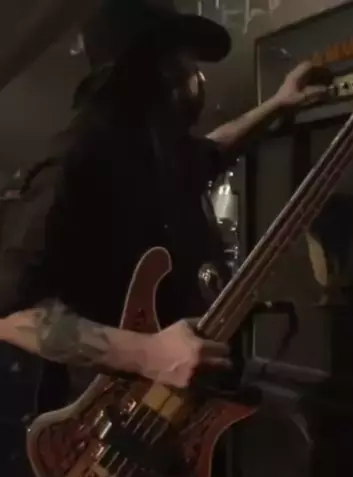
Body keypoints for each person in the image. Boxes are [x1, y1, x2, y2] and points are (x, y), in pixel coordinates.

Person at [0, 1, 326, 393]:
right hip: (119, 415)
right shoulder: (77, 160)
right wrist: (147, 355)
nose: (197, 80)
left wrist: (277, 104)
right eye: (184, 64)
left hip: (183, 405)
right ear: (147, 72)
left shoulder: (153, 147)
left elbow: (214, 150)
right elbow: (10, 311)